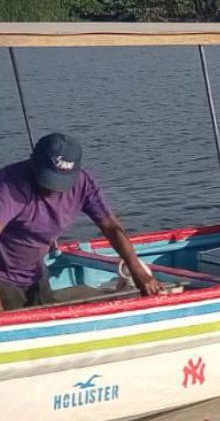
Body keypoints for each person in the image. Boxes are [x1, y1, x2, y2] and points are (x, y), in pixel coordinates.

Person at [0, 132, 163, 310]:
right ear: (33, 162)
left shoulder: (84, 184)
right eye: (48, 179)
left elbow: (111, 226)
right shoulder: (9, 185)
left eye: (62, 182)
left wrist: (136, 268)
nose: (54, 189)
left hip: (35, 272)